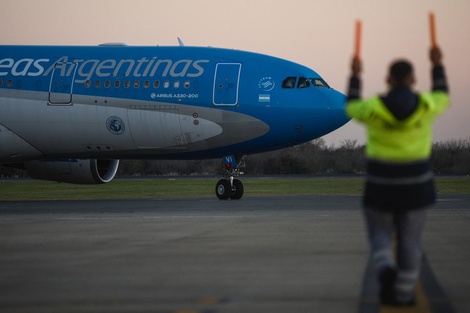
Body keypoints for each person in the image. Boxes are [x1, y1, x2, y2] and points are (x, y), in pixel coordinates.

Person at [346, 47, 449, 306]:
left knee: (380, 238)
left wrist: (355, 74)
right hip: (416, 187)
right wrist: (437, 65)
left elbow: (351, 106)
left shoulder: (373, 108)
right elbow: (442, 95)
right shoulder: (427, 106)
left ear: (387, 79)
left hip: (380, 186)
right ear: (414, 80)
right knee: (410, 243)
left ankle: (385, 273)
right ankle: (402, 293)